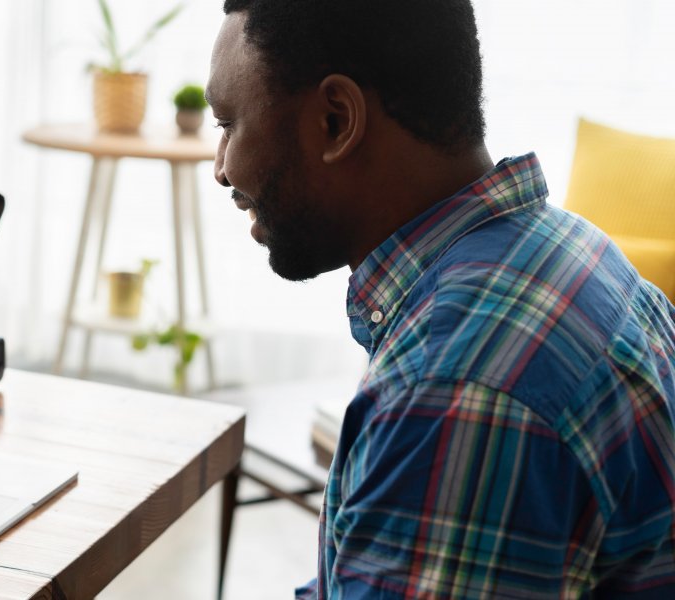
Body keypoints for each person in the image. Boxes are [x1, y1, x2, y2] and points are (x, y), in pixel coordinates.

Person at [205, 1, 675, 597]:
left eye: (228, 124)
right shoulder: (572, 249)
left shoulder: (453, 390)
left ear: (335, 121)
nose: (221, 169)